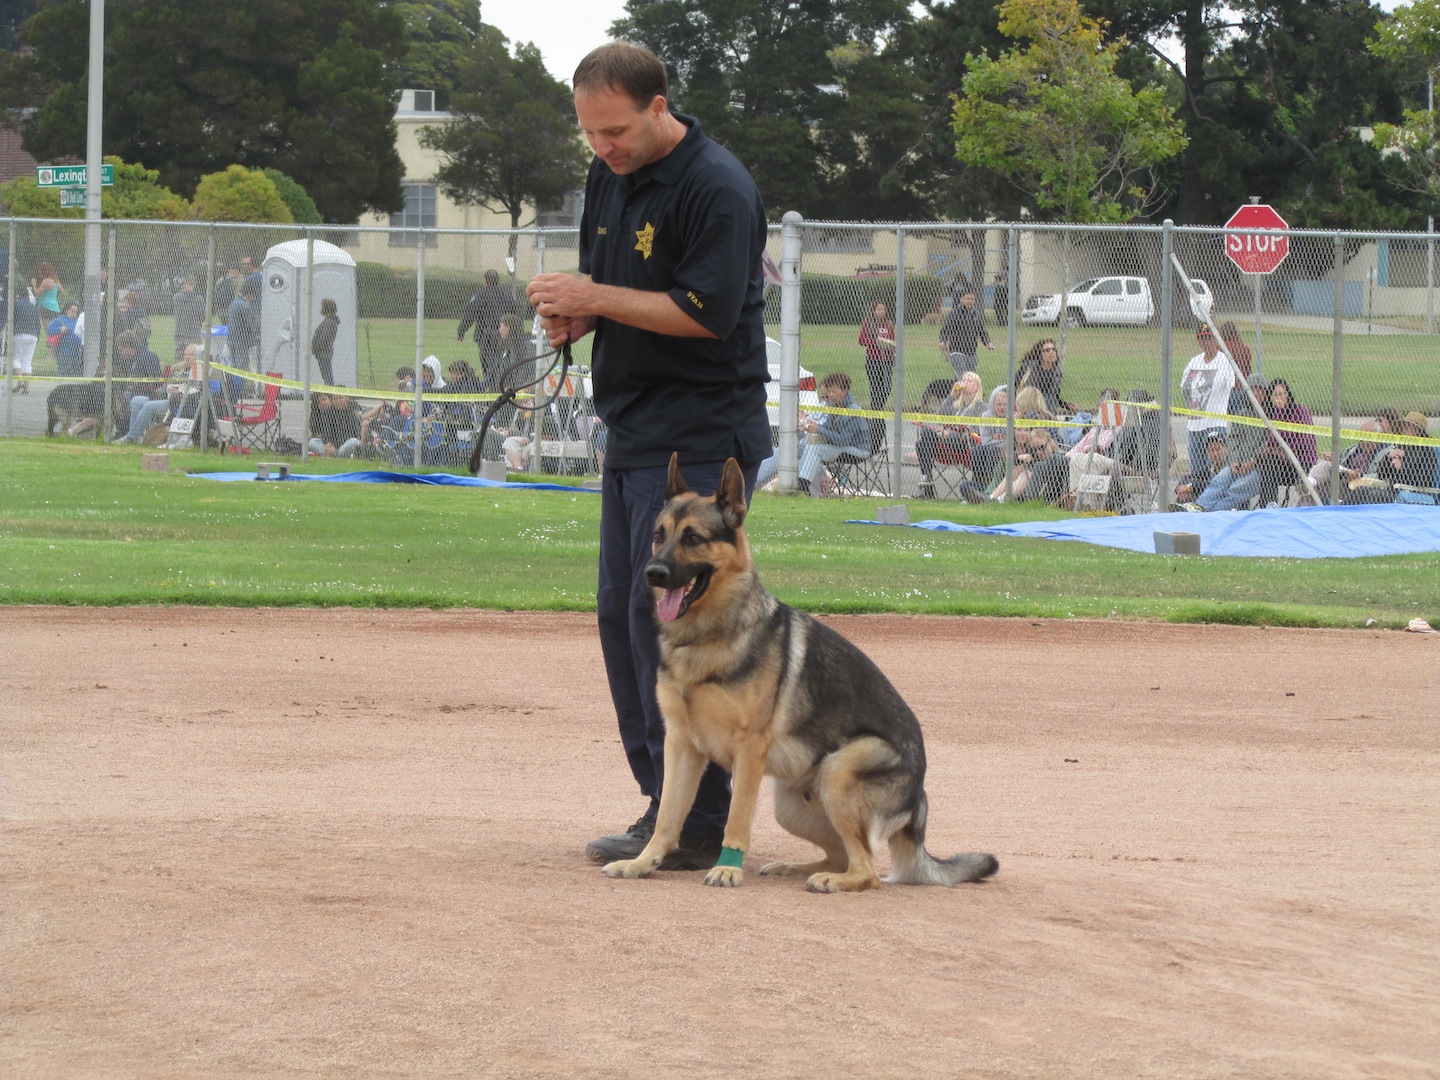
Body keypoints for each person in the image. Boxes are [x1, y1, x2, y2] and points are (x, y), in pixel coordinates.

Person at [526, 41, 771, 871]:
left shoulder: (718, 188)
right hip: (634, 427)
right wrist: (580, 316)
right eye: (592, 135)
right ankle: (661, 804)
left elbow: (706, 311)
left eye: (618, 131)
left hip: (703, 433)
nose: (605, 149)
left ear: (660, 106)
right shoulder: (612, 175)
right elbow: (621, 289)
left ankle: (701, 823)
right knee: (625, 616)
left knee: (684, 618)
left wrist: (594, 297)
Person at [1181, 372, 1269, 511]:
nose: (1256, 393)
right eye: (1252, 389)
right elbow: (1233, 440)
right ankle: (1198, 507)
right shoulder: (1243, 414)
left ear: (1265, 392)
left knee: (1234, 490)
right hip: (1239, 464)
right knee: (1219, 480)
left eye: (1259, 389)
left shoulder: (1270, 415)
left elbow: (1267, 445)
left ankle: (1208, 513)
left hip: (1259, 468)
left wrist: (1252, 461)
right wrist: (1234, 461)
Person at [791, 372, 869, 495]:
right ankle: (801, 483)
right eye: (829, 391)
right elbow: (827, 427)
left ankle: (803, 486)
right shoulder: (835, 406)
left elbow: (842, 440)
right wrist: (812, 426)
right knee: (803, 444)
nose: (830, 395)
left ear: (845, 391)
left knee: (815, 450)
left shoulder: (853, 410)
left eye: (833, 391)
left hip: (856, 450)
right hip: (840, 446)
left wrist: (819, 430)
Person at [1178, 326, 1236, 486]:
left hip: (1214, 423)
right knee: (1198, 471)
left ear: (1216, 340)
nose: (1206, 342)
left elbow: (1231, 385)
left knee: (1215, 470)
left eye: (1210, 338)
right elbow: (1184, 386)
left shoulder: (1223, 361)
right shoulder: (1194, 361)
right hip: (1195, 424)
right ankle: (1199, 503)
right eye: (1203, 338)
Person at [915, 372, 985, 497]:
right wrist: (952, 395)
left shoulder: (981, 407)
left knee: (925, 439)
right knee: (924, 438)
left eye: (970, 380)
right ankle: (927, 480)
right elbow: (939, 415)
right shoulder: (956, 405)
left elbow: (974, 431)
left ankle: (927, 483)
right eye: (964, 380)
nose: (965, 382)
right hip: (947, 446)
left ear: (977, 387)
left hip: (965, 446)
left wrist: (949, 434)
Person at [1309, 407, 1400, 502]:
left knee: (1323, 470)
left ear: (1377, 437)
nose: (1362, 440)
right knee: (1324, 468)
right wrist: (1334, 458)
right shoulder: (1354, 450)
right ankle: (1309, 484)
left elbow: (1383, 477)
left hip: (1360, 487)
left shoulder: (1387, 452)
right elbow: (1341, 462)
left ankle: (1311, 483)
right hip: (1343, 481)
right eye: (1361, 435)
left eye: (1366, 437)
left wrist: (1360, 476)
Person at [1345, 412, 1437, 503]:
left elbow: (1422, 481)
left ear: (1418, 431)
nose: (1405, 429)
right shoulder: (1400, 447)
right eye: (1404, 426)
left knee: (1374, 495)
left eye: (1409, 427)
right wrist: (1388, 458)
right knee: (1361, 490)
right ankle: (1340, 511)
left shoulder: (1426, 451)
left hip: (1410, 493)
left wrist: (1401, 467)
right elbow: (1382, 474)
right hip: (1391, 489)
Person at [1254, 377, 1317, 507]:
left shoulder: (1300, 411)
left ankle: (1269, 504)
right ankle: (1269, 505)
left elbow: (1305, 442)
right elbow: (1271, 444)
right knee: (1267, 464)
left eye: (1281, 394)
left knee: (1270, 462)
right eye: (1275, 394)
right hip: (1279, 463)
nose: (1279, 398)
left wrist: (1278, 450)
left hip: (1301, 462)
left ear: (1288, 395)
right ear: (1270, 398)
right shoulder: (1271, 415)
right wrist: (1276, 451)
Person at [457, 268, 514, 388]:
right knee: (502, 361)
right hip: (504, 335)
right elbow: (515, 316)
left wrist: (461, 331)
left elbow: (469, 315)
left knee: (487, 363)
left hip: (485, 336)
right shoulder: (507, 297)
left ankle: (490, 386)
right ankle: (500, 383)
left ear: (485, 281)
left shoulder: (480, 296)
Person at [938, 286, 994, 378]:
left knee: (970, 380)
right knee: (964, 378)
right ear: (961, 299)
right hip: (957, 352)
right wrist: (942, 341)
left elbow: (982, 332)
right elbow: (945, 330)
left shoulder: (976, 314)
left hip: (972, 353)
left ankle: (955, 392)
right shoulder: (954, 314)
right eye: (967, 298)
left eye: (972, 299)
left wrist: (987, 343)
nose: (970, 301)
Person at [1016, 338, 1075, 414]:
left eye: (1053, 349)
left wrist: (1066, 405)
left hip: (1049, 411)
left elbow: (1054, 397)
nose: (1051, 352)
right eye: (1047, 350)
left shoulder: (1057, 373)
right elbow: (1015, 387)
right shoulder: (1029, 369)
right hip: (1030, 410)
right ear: (1040, 354)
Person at [858, 299, 896, 410]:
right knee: (875, 388)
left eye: (883, 309)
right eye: (879, 309)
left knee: (886, 388)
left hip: (887, 360)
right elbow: (861, 340)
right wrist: (877, 342)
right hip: (873, 360)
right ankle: (877, 416)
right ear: (874, 311)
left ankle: (877, 410)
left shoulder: (888, 324)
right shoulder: (868, 324)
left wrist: (893, 353)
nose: (881, 311)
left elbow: (893, 340)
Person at [307, 393, 361, 458]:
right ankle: (332, 455)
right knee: (312, 442)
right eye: (335, 399)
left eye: (340, 398)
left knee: (354, 441)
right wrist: (328, 443)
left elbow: (354, 435)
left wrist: (334, 446)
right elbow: (327, 432)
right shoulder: (329, 413)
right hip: (331, 447)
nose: (338, 401)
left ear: (347, 398)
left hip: (344, 445)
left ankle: (333, 455)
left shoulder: (352, 412)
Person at [10, 281, 40, 391]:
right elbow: (38, 323)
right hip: (33, 335)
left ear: (18, 295)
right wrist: (38, 336)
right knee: (27, 361)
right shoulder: (34, 307)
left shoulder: (15, 305)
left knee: (15, 359)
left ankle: (21, 381)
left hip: (19, 334)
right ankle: (26, 388)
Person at [172, 276, 206, 366]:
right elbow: (203, 317)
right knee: (195, 359)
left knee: (179, 359)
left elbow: (175, 313)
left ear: (184, 283)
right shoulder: (199, 299)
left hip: (180, 332)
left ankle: (179, 377)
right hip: (194, 333)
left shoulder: (176, 297)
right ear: (194, 284)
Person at [226, 280, 259, 372]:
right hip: (242, 341)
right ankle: (239, 386)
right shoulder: (245, 305)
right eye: (252, 296)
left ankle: (233, 385)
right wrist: (256, 336)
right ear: (248, 294)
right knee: (241, 368)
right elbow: (251, 324)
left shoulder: (233, 303)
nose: (252, 298)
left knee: (233, 366)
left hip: (231, 339)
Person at [47, 301, 84, 377]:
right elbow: (49, 329)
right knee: (64, 370)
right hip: (64, 351)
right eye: (72, 310)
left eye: (76, 311)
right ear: (67, 310)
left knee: (77, 371)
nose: (74, 313)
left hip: (77, 351)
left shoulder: (78, 320)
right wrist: (60, 329)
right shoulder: (60, 319)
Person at [311, 298, 340, 387]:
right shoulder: (329, 321)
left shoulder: (329, 322)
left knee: (327, 377)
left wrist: (315, 349)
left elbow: (324, 339)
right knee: (326, 376)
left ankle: (330, 395)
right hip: (322, 354)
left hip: (324, 354)